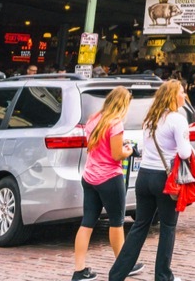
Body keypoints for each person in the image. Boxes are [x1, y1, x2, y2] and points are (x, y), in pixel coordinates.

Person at [108, 80, 193, 281]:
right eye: (181, 92)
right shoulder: (177, 119)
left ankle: (117, 273)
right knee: (168, 227)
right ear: (173, 96)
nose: (184, 95)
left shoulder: (151, 118)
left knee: (140, 226)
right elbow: (184, 151)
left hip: (145, 175)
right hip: (164, 178)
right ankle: (163, 276)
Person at [72, 87, 140, 280]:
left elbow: (94, 147)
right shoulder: (115, 123)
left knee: (87, 223)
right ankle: (123, 265)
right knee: (117, 223)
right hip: (110, 177)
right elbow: (117, 154)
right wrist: (128, 150)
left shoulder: (94, 118)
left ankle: (79, 270)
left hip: (90, 176)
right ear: (123, 104)